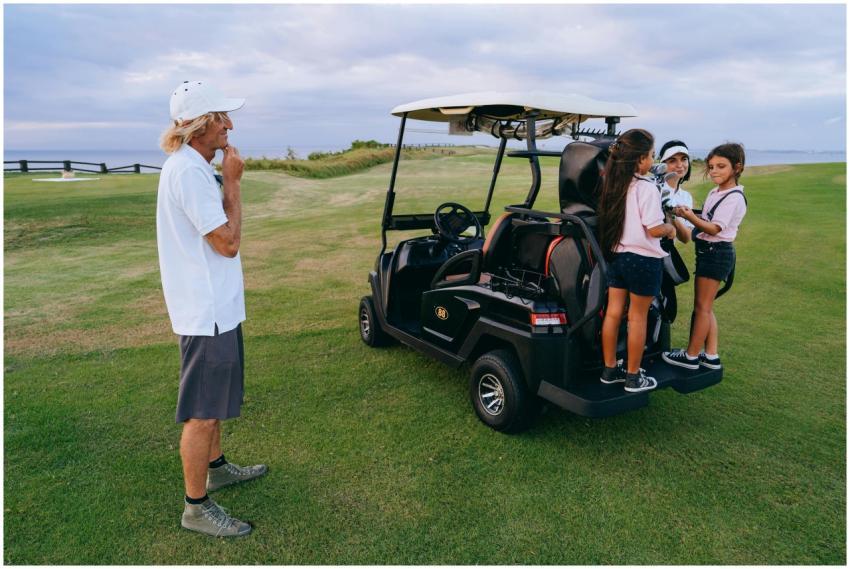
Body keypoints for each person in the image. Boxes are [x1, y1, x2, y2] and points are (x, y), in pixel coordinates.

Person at [156, 81, 267, 537]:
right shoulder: (186, 171)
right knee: (202, 411)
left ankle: (216, 467)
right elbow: (227, 242)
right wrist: (235, 183)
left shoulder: (196, 167)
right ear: (200, 124)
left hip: (217, 307)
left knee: (215, 399)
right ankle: (196, 507)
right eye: (222, 118)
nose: (230, 126)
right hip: (206, 313)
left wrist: (225, 178)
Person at [598, 129, 677, 392]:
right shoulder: (646, 187)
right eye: (652, 155)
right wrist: (670, 228)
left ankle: (610, 370)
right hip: (643, 260)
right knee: (637, 318)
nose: (653, 160)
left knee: (613, 313)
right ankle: (633, 377)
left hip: (617, 257)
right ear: (641, 158)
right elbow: (654, 229)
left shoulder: (613, 183)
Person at [662, 143, 748, 371]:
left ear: (737, 168)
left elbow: (713, 228)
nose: (714, 171)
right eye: (711, 167)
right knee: (706, 307)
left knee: (701, 308)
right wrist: (686, 213)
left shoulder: (734, 197)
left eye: (721, 166)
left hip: (716, 253)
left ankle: (691, 356)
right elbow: (706, 217)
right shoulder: (715, 192)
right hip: (708, 253)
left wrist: (688, 215)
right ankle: (710, 355)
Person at [657, 140, 694, 243]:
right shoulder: (652, 188)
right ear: (662, 164)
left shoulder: (686, 197)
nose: (680, 165)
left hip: (666, 252)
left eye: (684, 159)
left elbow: (686, 238)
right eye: (672, 160)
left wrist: (671, 215)